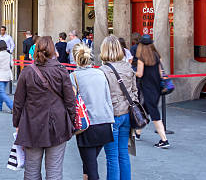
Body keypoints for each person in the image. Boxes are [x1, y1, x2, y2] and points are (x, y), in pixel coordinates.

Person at [13, 36, 76, 180]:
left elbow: (18, 102)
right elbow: (70, 101)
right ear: (53, 50)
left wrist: (17, 124)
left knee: (31, 172)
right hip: (58, 125)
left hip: (32, 125)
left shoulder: (27, 72)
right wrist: (71, 122)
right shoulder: (61, 71)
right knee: (54, 172)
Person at [70, 43, 114, 180]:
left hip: (87, 125)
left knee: (91, 166)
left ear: (75, 58)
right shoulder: (100, 73)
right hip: (105, 123)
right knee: (89, 163)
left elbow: (71, 103)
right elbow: (108, 99)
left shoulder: (74, 76)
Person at [99, 36, 138, 180]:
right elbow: (135, 91)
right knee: (123, 153)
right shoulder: (128, 67)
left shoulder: (102, 70)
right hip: (127, 113)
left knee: (112, 157)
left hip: (112, 115)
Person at [135, 35, 169, 148]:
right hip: (157, 88)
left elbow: (140, 74)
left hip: (147, 88)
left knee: (154, 113)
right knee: (145, 110)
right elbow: (160, 72)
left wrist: (131, 72)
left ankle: (164, 139)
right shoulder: (157, 56)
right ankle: (137, 133)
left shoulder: (141, 58)